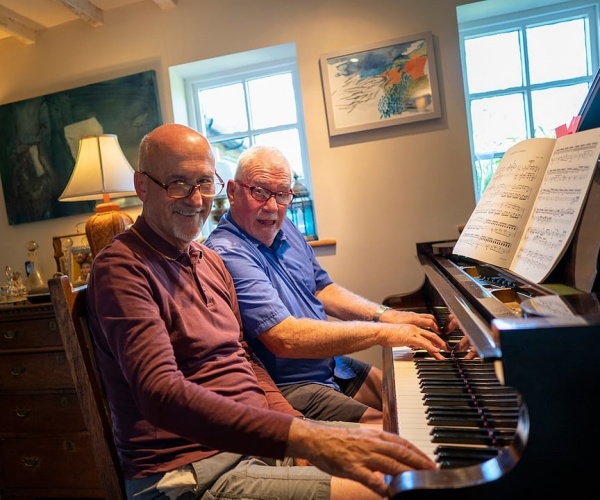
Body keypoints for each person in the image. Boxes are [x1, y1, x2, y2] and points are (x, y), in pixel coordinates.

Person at [85, 123, 437, 500]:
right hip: (191, 469)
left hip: (257, 444)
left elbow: (246, 359)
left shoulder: (207, 260)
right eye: (177, 183)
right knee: (398, 488)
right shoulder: (121, 268)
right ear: (142, 186)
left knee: (413, 451)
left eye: (205, 183)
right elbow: (160, 394)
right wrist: (305, 436)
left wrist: (296, 428)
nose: (196, 199)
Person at [205, 145, 456, 425]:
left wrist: (388, 315)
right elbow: (284, 338)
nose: (272, 207)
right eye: (260, 192)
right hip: (292, 386)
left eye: (282, 194)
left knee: (420, 399)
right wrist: (383, 333)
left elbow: (323, 289)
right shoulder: (228, 251)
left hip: (330, 364)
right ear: (232, 191)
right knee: (394, 431)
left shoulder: (282, 226)